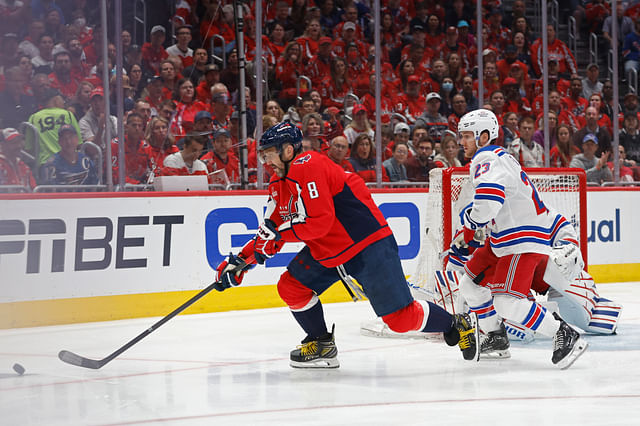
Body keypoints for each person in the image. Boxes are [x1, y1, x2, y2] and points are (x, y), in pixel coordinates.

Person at [213, 121, 479, 368]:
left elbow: (319, 223)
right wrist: (240, 262)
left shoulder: (308, 164)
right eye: (262, 156)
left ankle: (456, 323)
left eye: (268, 154)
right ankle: (321, 343)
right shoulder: (277, 183)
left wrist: (279, 235)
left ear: (287, 149)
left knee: (400, 319)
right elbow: (270, 229)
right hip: (330, 250)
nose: (265, 161)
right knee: (291, 287)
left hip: (367, 244)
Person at [454, 108, 588, 369]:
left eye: (467, 136)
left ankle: (564, 332)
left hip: (519, 240)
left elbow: (489, 200)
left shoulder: (487, 156)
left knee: (507, 302)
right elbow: (532, 206)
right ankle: (497, 337)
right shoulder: (503, 159)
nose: (462, 142)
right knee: (469, 284)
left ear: (483, 136)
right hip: (503, 240)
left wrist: (472, 218)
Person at [26, 89, 82, 165]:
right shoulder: (67, 114)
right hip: (68, 161)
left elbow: (29, 147)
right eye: (63, 100)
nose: (64, 103)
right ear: (56, 100)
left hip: (46, 163)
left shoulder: (33, 118)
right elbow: (78, 142)